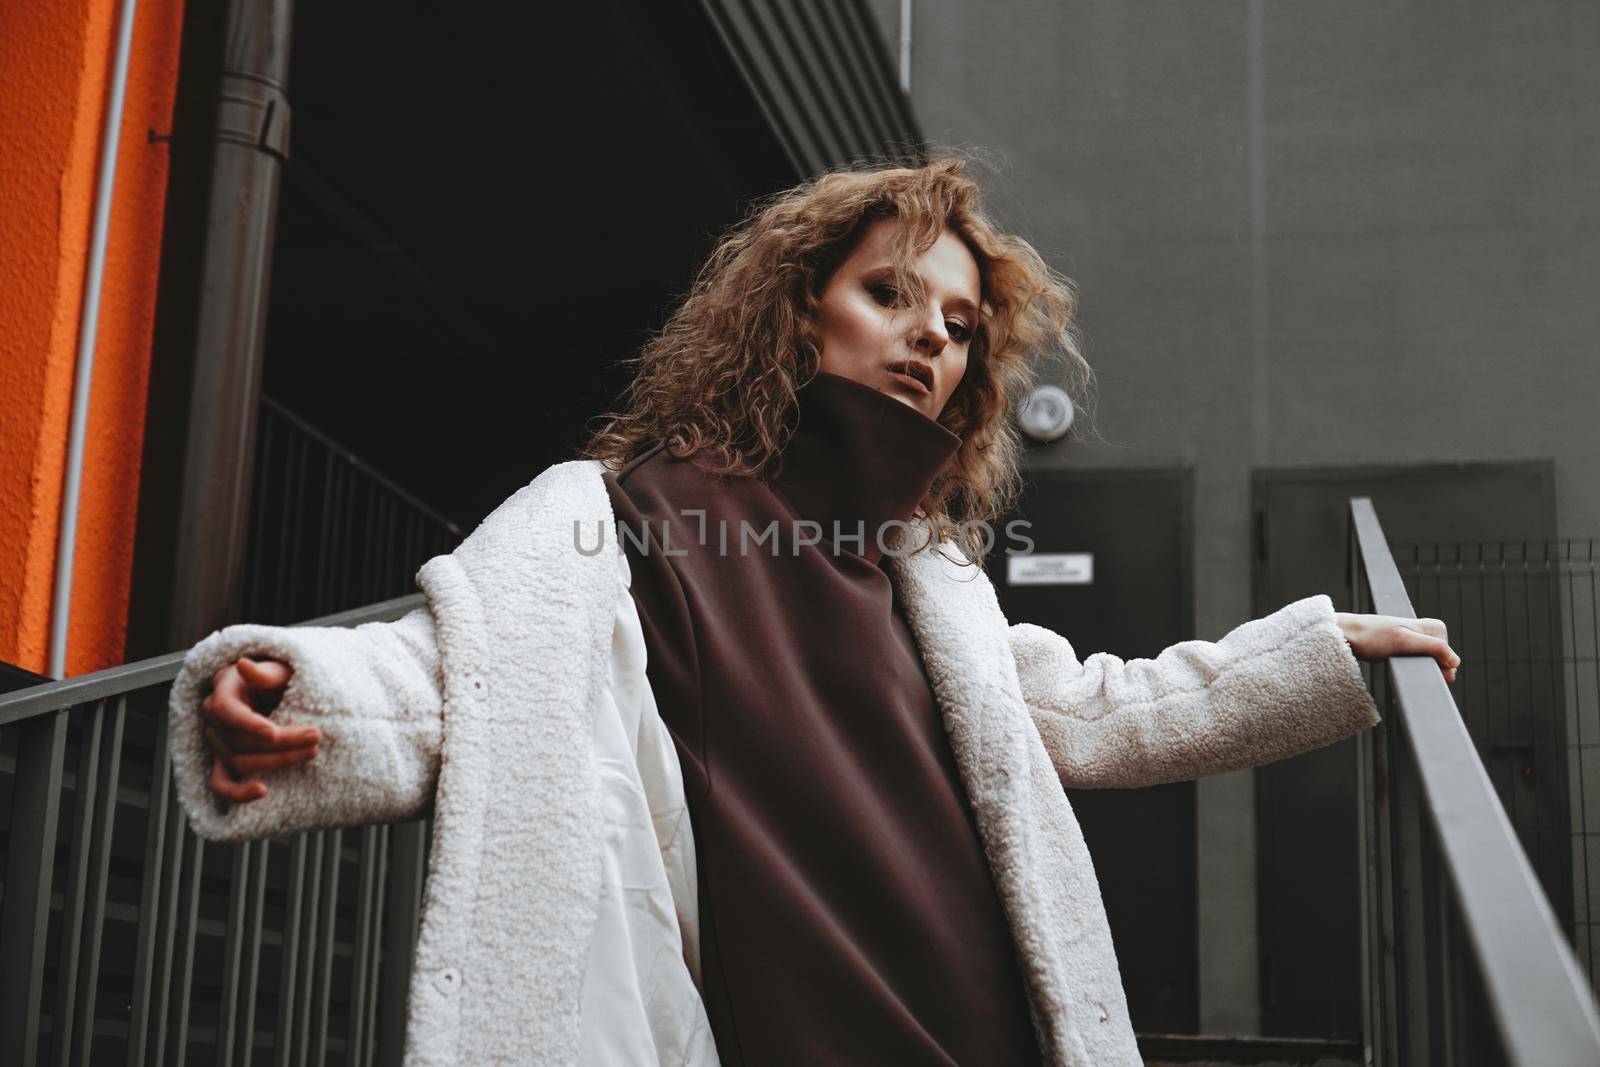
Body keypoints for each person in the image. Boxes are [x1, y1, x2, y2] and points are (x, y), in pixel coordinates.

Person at [169, 156, 1461, 1066]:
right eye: (889, 295)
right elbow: (470, 671)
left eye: (957, 324)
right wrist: (302, 696)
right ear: (798, 309)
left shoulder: (923, 576)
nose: (929, 340)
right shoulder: (623, 515)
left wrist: (1322, 651)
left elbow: (1096, 709)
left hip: (990, 1024)